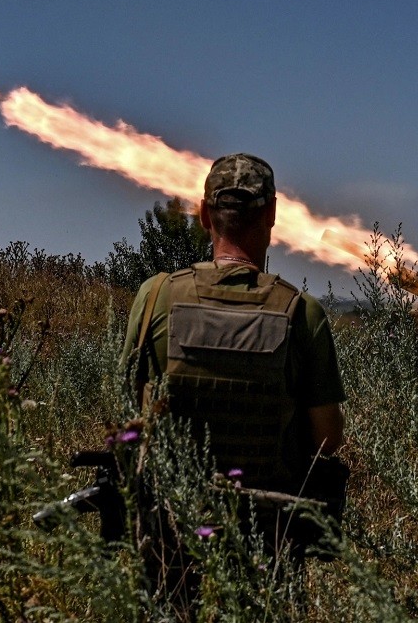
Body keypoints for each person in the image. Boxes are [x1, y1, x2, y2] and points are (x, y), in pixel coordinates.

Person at [119, 153, 346, 574]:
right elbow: (327, 441)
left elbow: (128, 406)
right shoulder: (302, 314)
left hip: (172, 530)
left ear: (204, 215)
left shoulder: (156, 297)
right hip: (267, 537)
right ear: (273, 215)